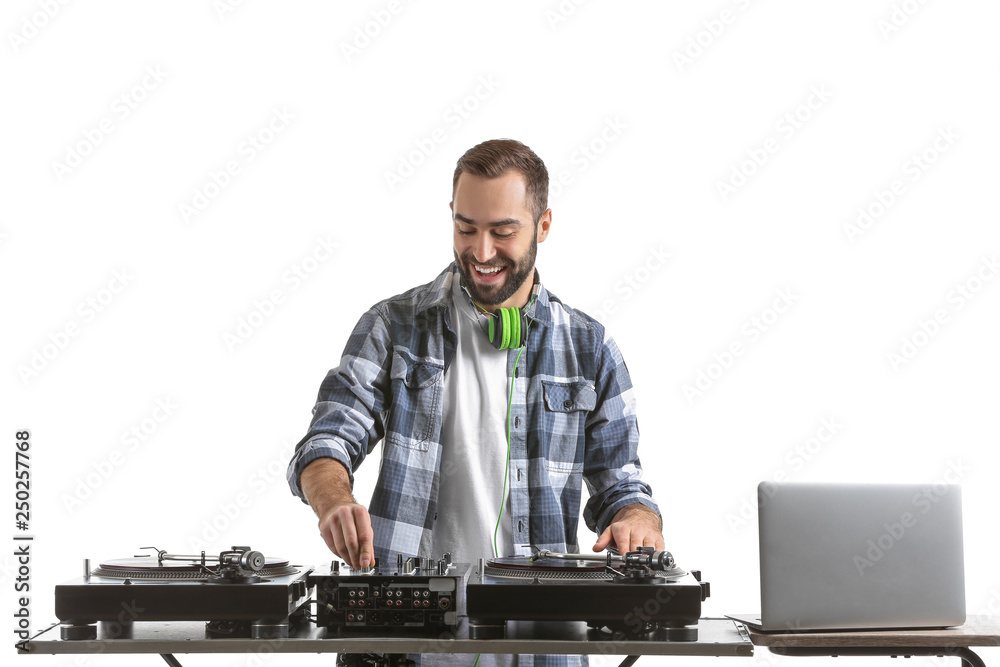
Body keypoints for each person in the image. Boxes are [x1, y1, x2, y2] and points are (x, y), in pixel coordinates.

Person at [286, 139, 663, 666]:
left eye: (502, 232)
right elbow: (326, 441)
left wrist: (639, 520)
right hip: (403, 649)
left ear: (544, 225)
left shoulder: (590, 349)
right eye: (466, 229)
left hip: (541, 649)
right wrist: (333, 500)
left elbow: (621, 487)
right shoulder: (391, 328)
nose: (481, 252)